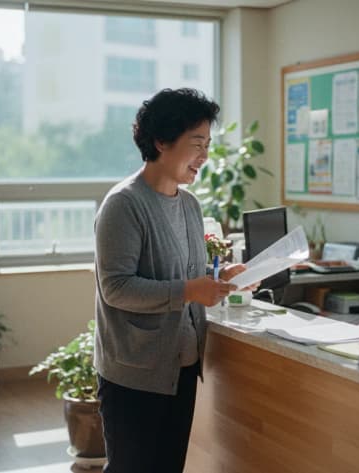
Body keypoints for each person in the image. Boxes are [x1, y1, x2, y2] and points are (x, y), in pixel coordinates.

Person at [93, 88, 247, 473]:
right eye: (197, 143)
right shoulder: (124, 204)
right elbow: (116, 288)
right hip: (134, 374)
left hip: (180, 368)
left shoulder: (190, 206)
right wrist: (191, 290)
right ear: (161, 141)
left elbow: (188, 278)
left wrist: (221, 279)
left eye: (208, 144)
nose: (205, 156)